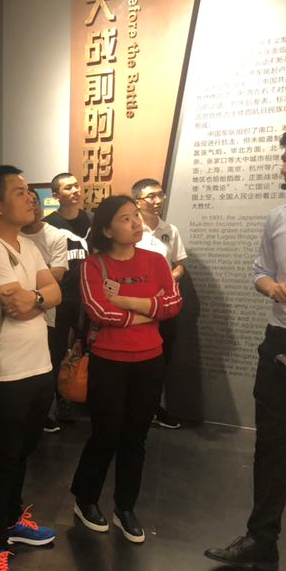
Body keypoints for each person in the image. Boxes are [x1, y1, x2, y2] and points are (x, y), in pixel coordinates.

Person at [205, 120, 286, 571]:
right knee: (270, 446)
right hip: (280, 342)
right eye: (283, 158)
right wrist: (271, 288)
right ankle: (262, 539)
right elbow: (260, 271)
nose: (283, 167)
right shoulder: (278, 218)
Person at [0, 166, 62, 571]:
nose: (31, 198)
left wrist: (37, 297)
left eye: (30, 191)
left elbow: (51, 294)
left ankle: (12, 520)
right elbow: (17, 306)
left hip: (40, 368)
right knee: (2, 461)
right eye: (20, 192)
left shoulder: (29, 245)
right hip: (6, 375)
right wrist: (40, 298)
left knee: (22, 453)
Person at [70, 195, 182, 544]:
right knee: (105, 434)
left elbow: (174, 303)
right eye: (125, 218)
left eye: (136, 216)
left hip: (150, 360)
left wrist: (128, 302)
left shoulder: (155, 260)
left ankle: (125, 507)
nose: (136, 223)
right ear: (106, 229)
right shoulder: (94, 265)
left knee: (136, 437)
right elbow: (100, 312)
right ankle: (85, 499)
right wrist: (150, 311)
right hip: (109, 362)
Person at [132, 178, 187, 429]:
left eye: (160, 195)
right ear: (137, 202)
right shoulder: (132, 229)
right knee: (139, 356)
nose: (157, 201)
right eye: (151, 196)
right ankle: (137, 407)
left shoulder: (170, 230)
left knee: (162, 358)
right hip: (137, 306)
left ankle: (153, 406)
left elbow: (180, 265)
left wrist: (169, 279)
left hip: (165, 305)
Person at [43, 173, 90, 424]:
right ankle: (55, 404)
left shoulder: (91, 220)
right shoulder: (48, 225)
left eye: (76, 185)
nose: (75, 190)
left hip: (89, 298)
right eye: (68, 187)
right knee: (56, 351)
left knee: (90, 351)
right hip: (60, 298)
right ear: (56, 195)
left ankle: (83, 402)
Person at [20, 187, 68, 433]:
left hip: (45, 312)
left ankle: (43, 415)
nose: (32, 206)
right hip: (15, 313)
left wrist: (21, 278)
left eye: (35, 201)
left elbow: (56, 276)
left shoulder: (55, 235)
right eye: (26, 201)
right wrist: (41, 276)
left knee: (46, 366)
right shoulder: (10, 236)